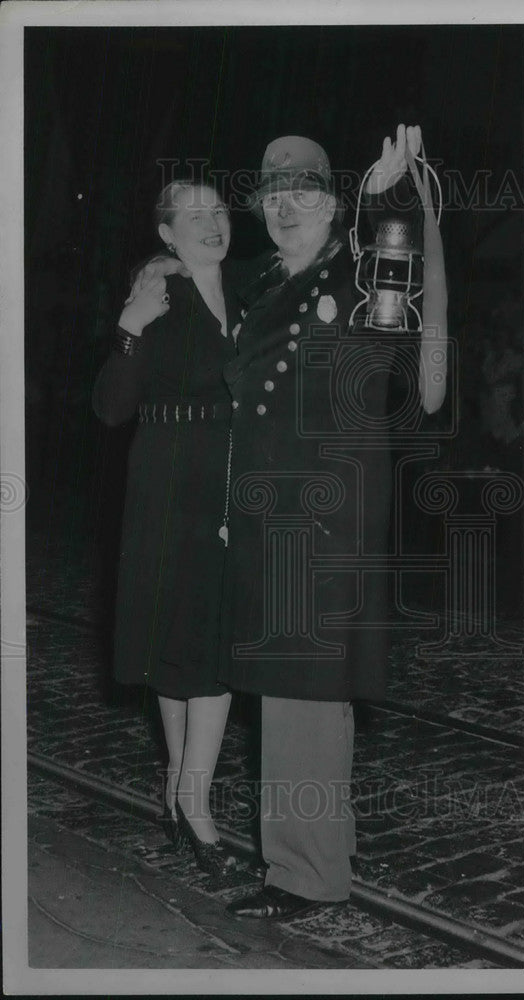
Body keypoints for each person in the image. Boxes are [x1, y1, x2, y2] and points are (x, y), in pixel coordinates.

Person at [216, 125, 447, 918]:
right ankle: (321, 850)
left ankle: (304, 876)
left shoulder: (354, 274)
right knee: (299, 698)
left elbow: (394, 303)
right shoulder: (258, 284)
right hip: (264, 516)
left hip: (320, 517)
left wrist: (390, 197)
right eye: (275, 197)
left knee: (302, 698)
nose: (287, 209)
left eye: (304, 195)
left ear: (332, 203)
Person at [92, 180, 245, 879]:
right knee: (174, 642)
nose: (212, 224)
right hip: (163, 479)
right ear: (165, 233)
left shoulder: (253, 294)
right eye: (194, 215)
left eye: (218, 212)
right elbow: (110, 410)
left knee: (212, 643)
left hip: (228, 477)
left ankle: (188, 793)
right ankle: (190, 799)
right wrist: (129, 324)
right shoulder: (156, 293)